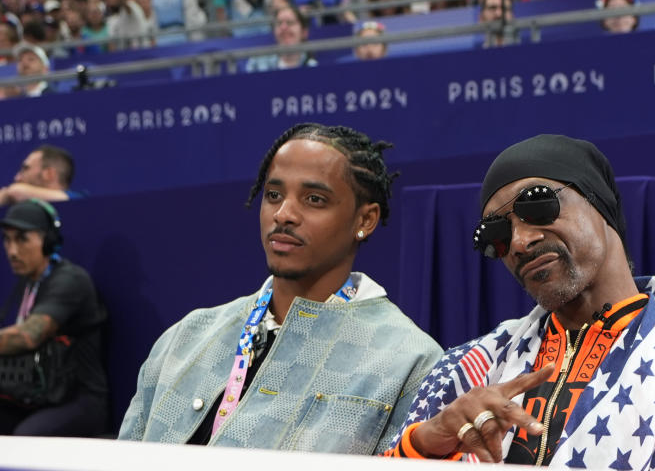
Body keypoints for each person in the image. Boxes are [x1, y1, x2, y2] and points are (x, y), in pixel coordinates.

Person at [386, 135, 655, 471]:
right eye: (496, 233)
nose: (519, 241)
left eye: (536, 203)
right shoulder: (465, 371)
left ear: (600, 203)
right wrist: (427, 442)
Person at [117, 124, 442, 451]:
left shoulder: (409, 361)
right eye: (273, 195)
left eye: (314, 199)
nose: (284, 214)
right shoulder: (185, 337)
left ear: (365, 220)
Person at [0, 200, 108, 436]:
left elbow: (28, 336)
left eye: (22, 239)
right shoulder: (28, 283)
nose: (12, 250)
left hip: (80, 401)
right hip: (37, 394)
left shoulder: (70, 280)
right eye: (7, 239)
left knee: (25, 440)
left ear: (48, 242)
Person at [245, 5, 317, 72]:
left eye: (290, 22)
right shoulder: (257, 62)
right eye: (279, 23)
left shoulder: (313, 67)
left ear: (304, 32)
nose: (283, 28)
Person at [0, 145, 80, 205]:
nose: (17, 178)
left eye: (26, 168)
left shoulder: (79, 200)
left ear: (49, 174)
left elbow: (16, 192)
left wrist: (8, 193)